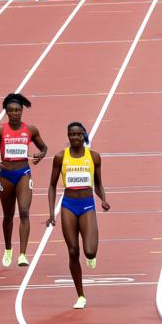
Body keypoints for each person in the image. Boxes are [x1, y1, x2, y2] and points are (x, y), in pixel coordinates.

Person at [46, 121, 110, 309]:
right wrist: (51, 212)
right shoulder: (60, 157)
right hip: (68, 204)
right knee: (73, 250)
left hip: (87, 204)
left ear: (83, 136)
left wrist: (103, 199)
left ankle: (91, 256)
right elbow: (51, 186)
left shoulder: (94, 157)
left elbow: (98, 183)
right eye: (71, 134)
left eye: (78, 134)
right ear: (68, 136)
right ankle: (80, 295)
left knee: (89, 251)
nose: (75, 137)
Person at [0, 93, 49, 267]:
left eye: (18, 110)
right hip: (5, 176)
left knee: (24, 212)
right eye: (11, 111)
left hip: (23, 173)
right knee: (8, 215)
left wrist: (40, 155)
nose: (15, 113)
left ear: (22, 111)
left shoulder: (30, 130)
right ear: (6, 112)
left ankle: (22, 254)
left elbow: (44, 147)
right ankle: (8, 249)